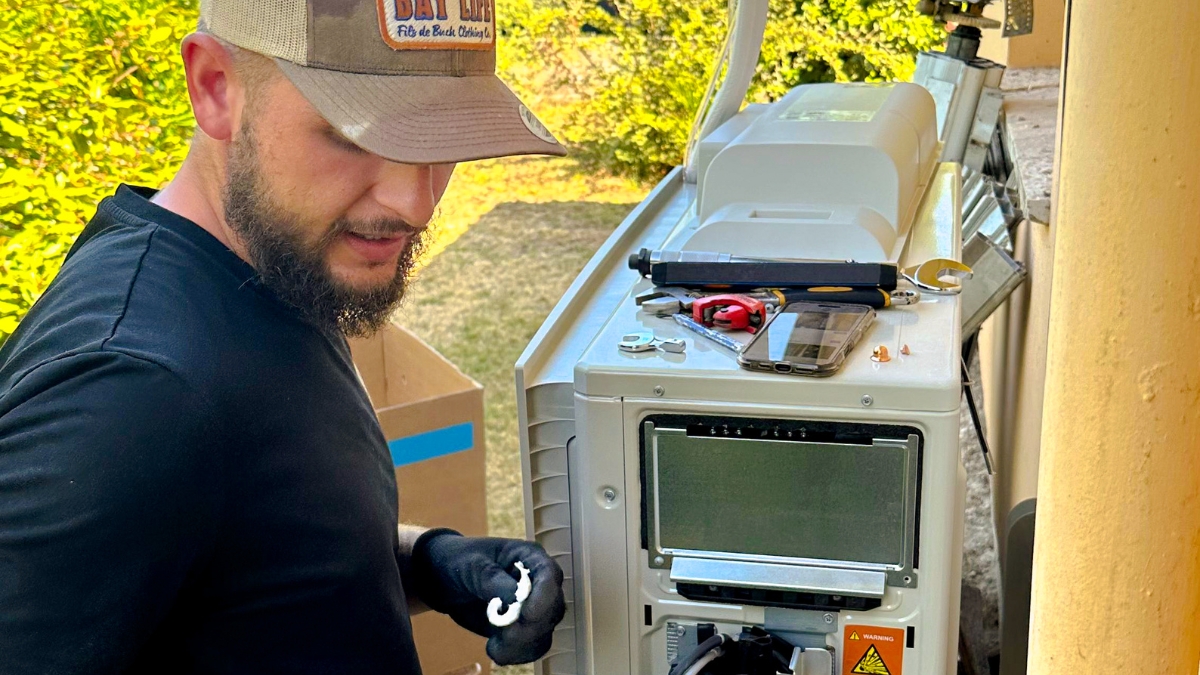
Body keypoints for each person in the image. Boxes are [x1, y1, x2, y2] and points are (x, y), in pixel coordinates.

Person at [0, 0, 568, 672]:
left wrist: (428, 561)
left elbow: (245, 557)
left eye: (442, 138)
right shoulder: (130, 387)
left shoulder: (277, 268)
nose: (416, 203)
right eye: (357, 136)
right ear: (216, 87)